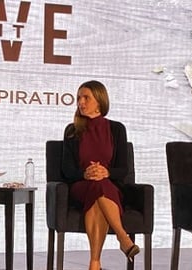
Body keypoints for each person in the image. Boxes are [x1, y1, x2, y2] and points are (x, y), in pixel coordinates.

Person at [61, 80, 139, 270]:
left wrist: (107, 171)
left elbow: (123, 169)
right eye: (79, 98)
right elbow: (67, 170)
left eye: (86, 97)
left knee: (100, 188)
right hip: (81, 186)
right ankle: (122, 237)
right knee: (97, 185)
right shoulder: (72, 130)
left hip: (108, 186)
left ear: (100, 100)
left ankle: (95, 263)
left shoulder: (116, 129)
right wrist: (85, 174)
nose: (81, 102)